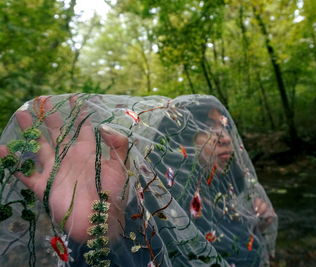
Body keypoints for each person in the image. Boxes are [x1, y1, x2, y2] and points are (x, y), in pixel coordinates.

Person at [0, 94, 277, 266]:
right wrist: (103, 232)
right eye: (209, 126)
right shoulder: (155, 201)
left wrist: (255, 221)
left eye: (224, 126)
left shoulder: (223, 189)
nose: (225, 136)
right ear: (181, 138)